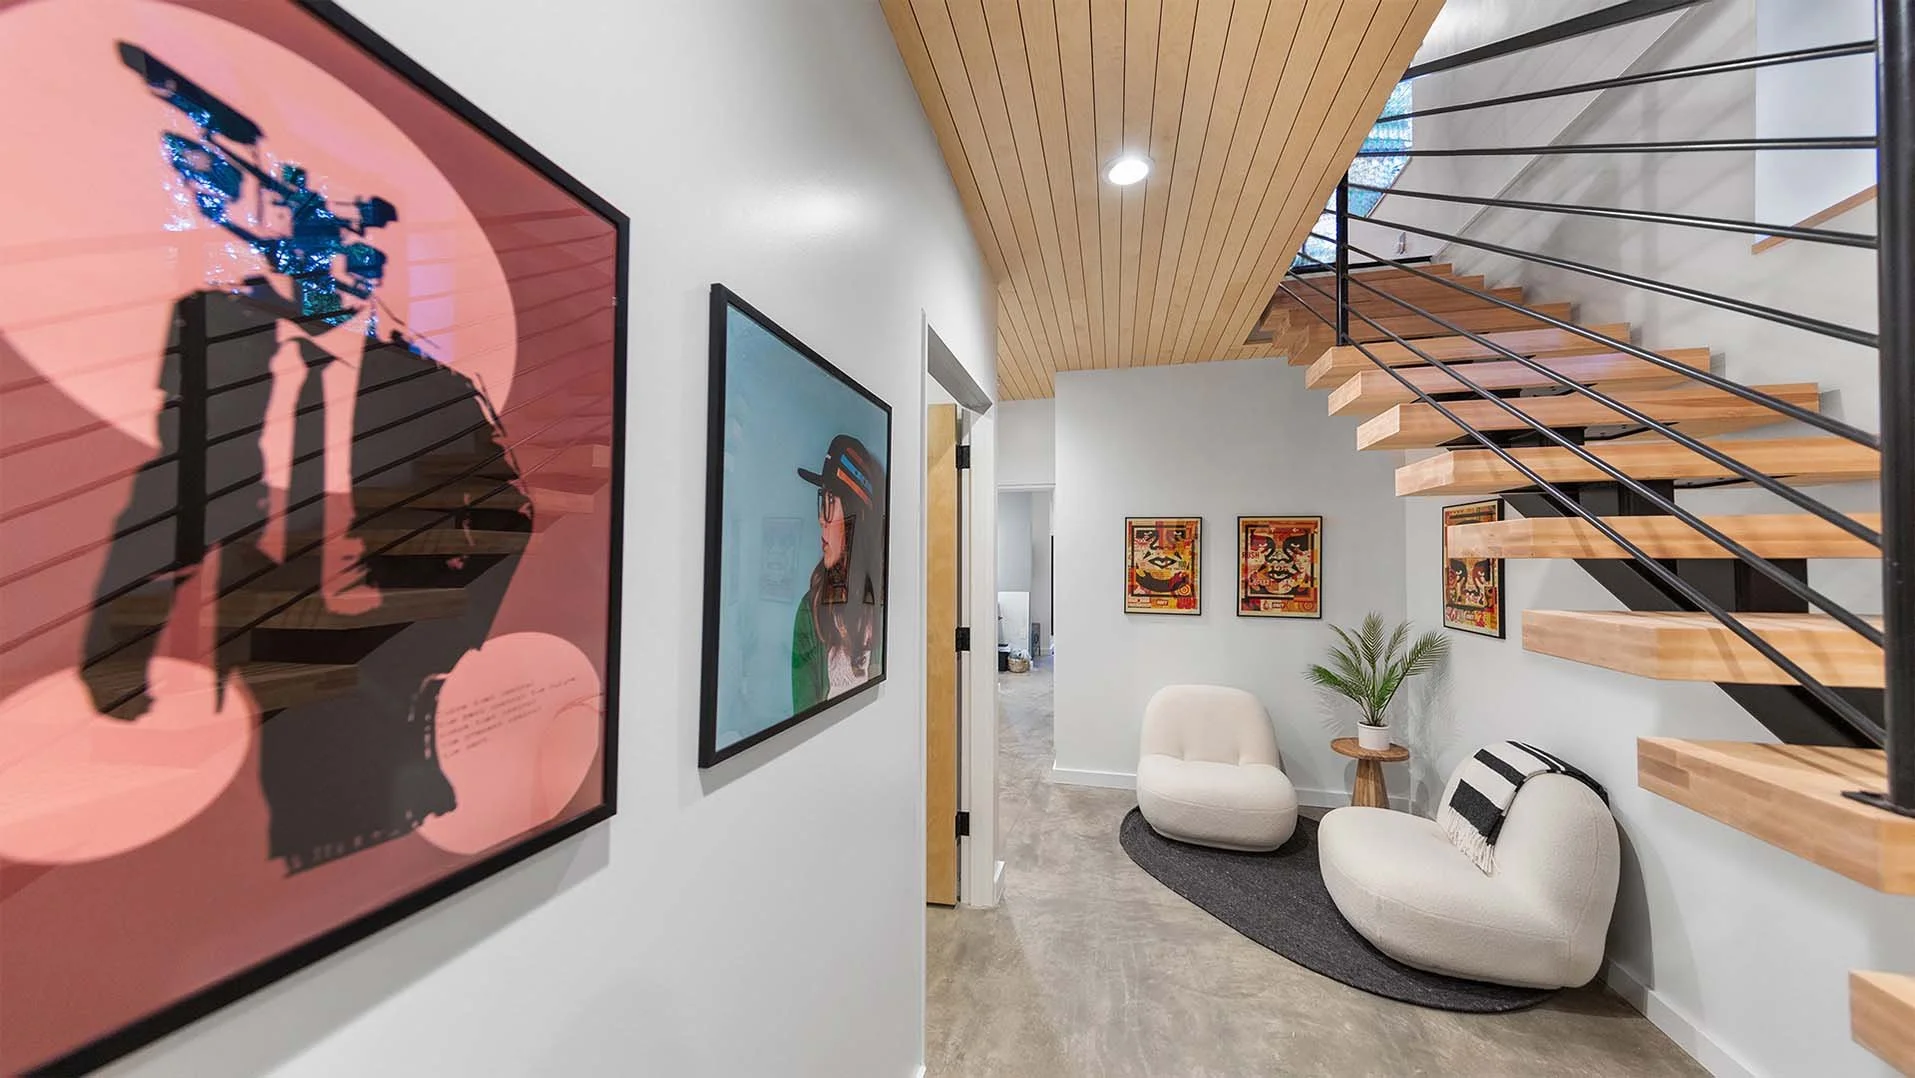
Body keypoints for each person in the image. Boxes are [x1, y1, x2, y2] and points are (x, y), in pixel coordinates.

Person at [80, 49, 532, 873]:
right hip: (253, 670)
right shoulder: (228, 352)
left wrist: (443, 628)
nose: (340, 265)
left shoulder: (428, 380)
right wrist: (119, 658)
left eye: (352, 248)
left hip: (389, 684)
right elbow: (174, 498)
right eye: (319, 243)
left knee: (348, 842)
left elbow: (509, 514)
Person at [792, 434, 886, 712]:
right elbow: (803, 714)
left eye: (830, 502)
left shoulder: (884, 602)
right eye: (821, 501)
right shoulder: (811, 611)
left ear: (854, 514)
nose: (821, 518)